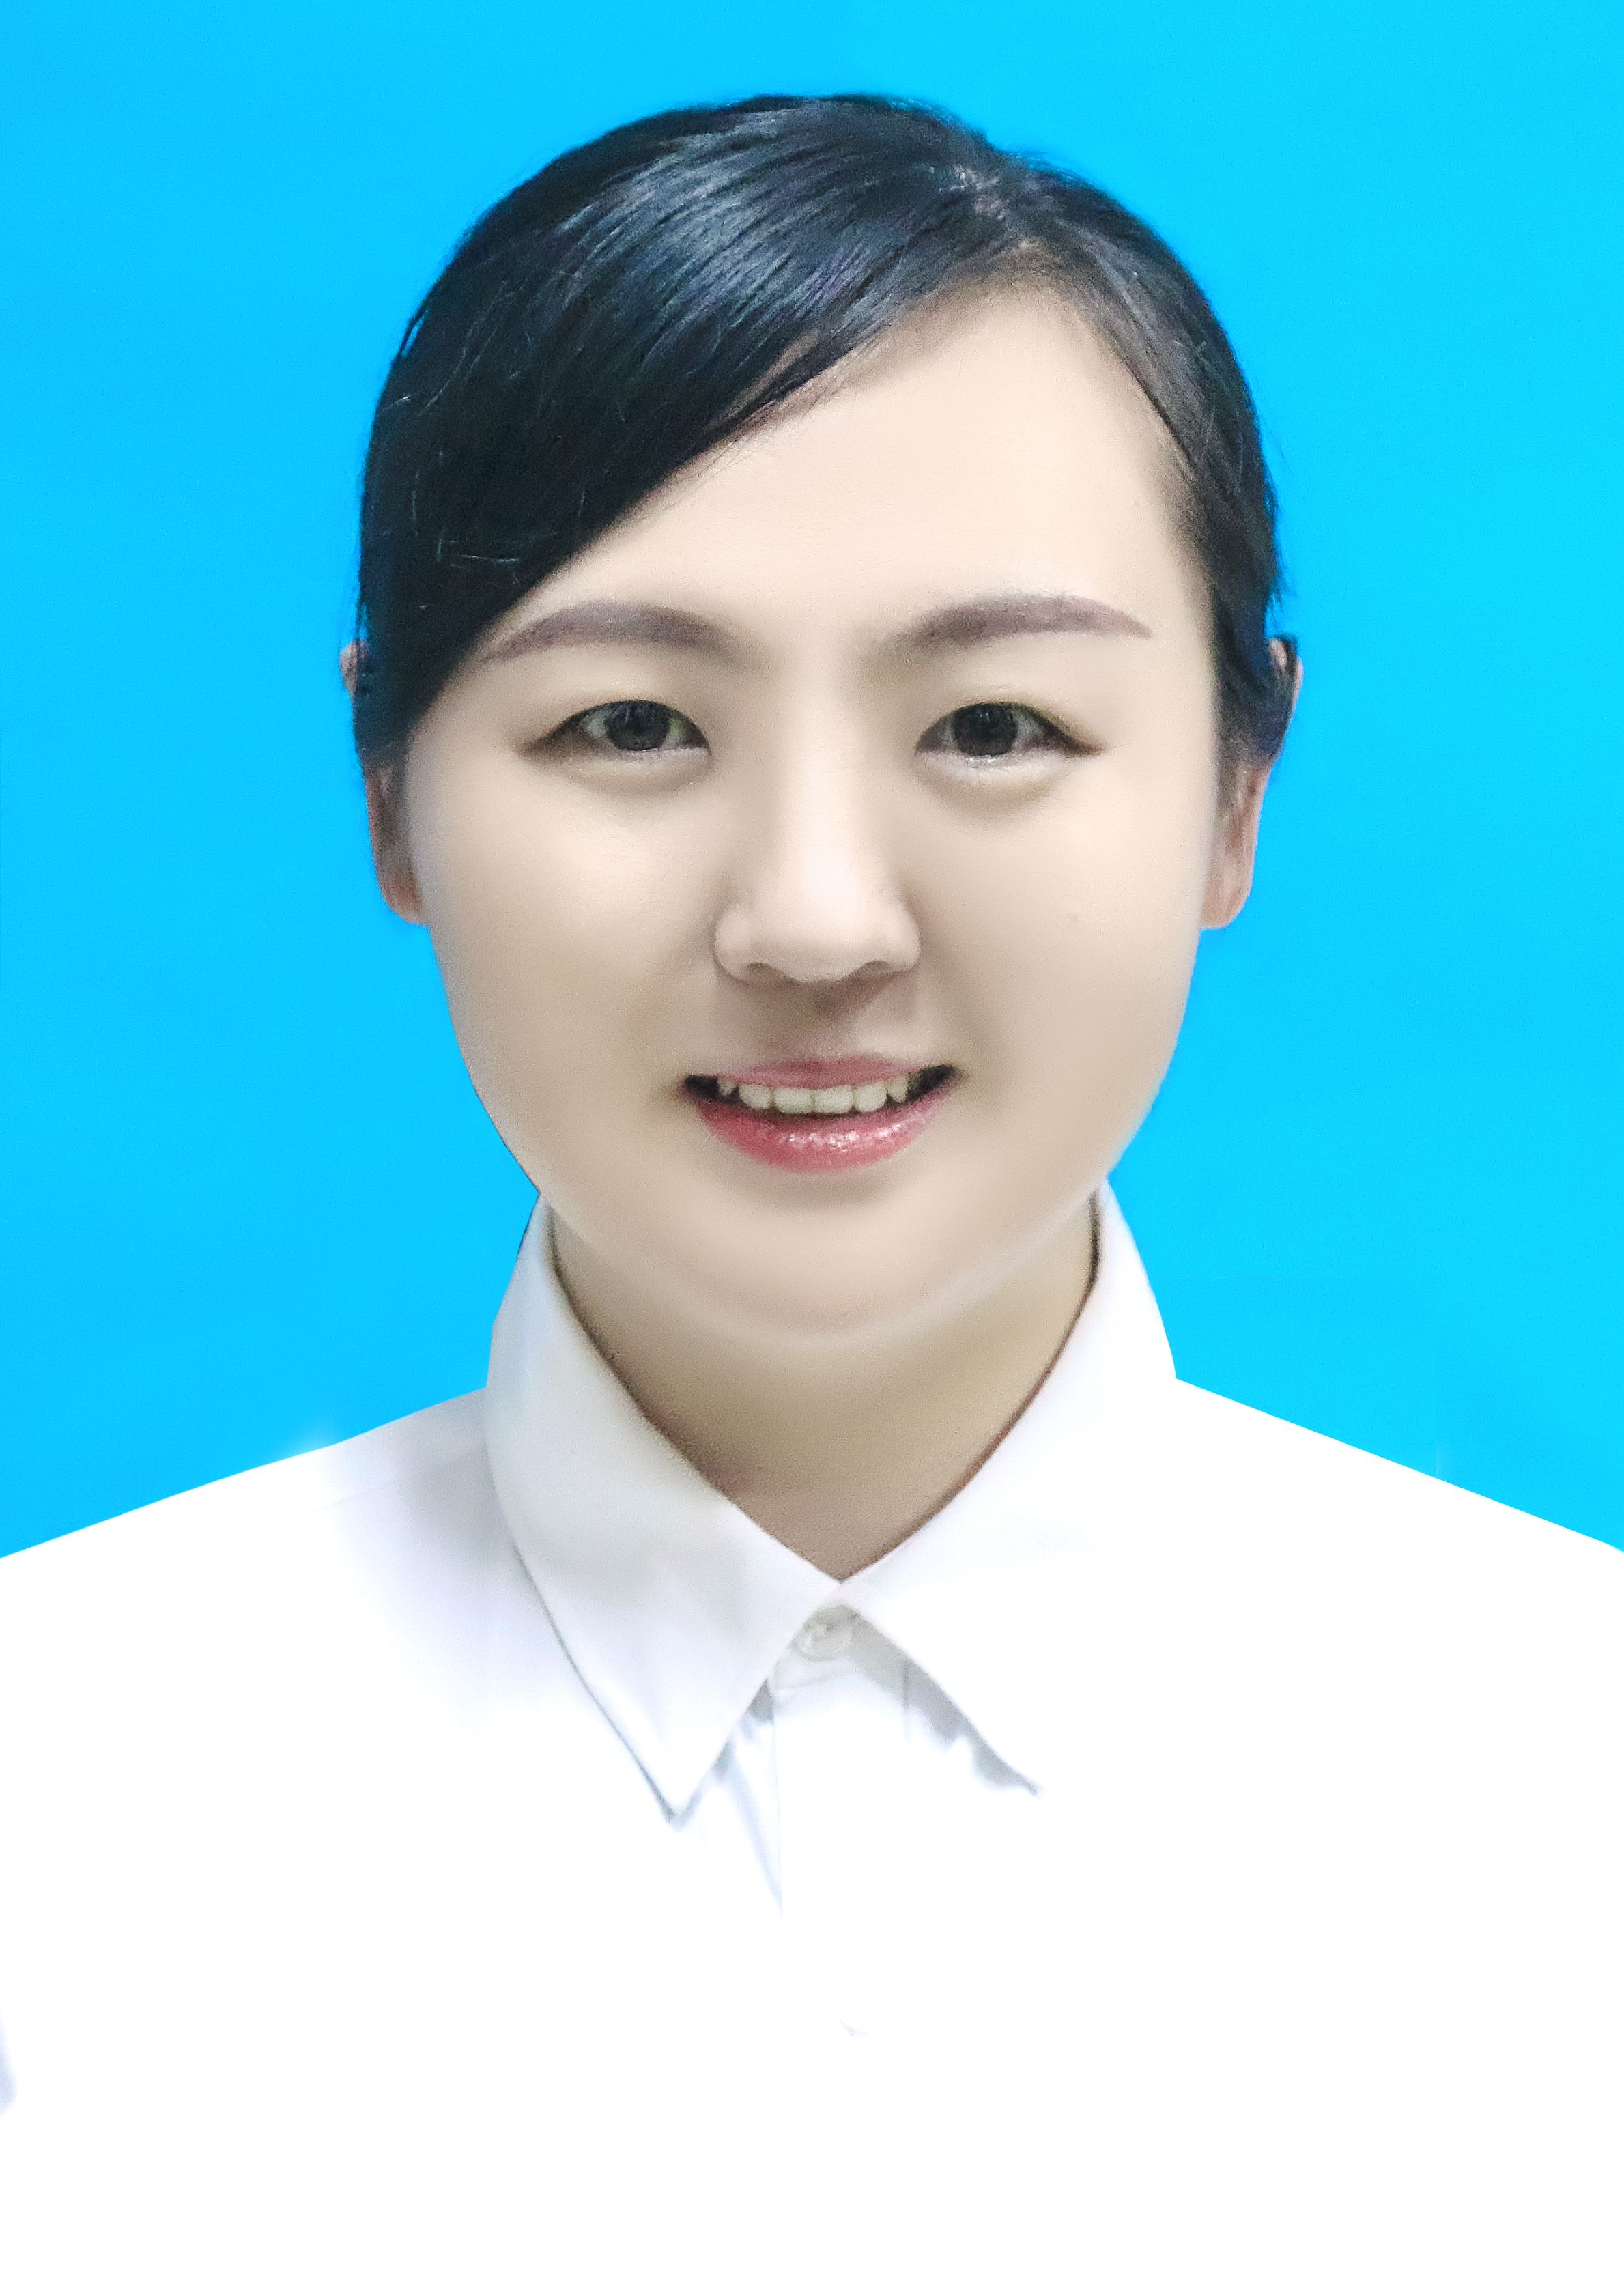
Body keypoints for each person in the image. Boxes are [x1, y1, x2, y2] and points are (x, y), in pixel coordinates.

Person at [1, 94, 1619, 2273]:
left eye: (993, 727)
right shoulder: (52, 1778)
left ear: (1237, 790)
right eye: (632, 727)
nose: (815, 918)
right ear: (389, 793)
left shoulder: (1575, 1767)